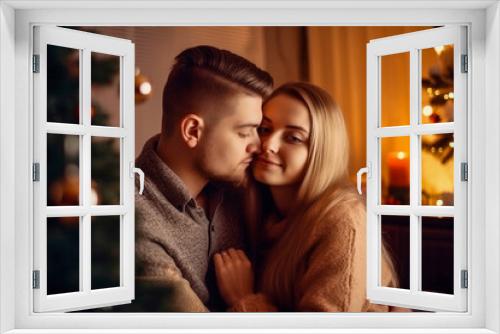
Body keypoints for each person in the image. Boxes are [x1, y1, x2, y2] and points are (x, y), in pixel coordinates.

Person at [214, 82, 407, 312]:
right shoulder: (256, 209)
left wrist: (244, 299)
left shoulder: (343, 220)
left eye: (293, 138)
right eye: (265, 129)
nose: (268, 145)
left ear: (320, 151)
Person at [133, 45, 273, 312]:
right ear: (193, 131)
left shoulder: (244, 186)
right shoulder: (133, 222)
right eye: (245, 133)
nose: (259, 146)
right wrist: (246, 302)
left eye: (260, 130)